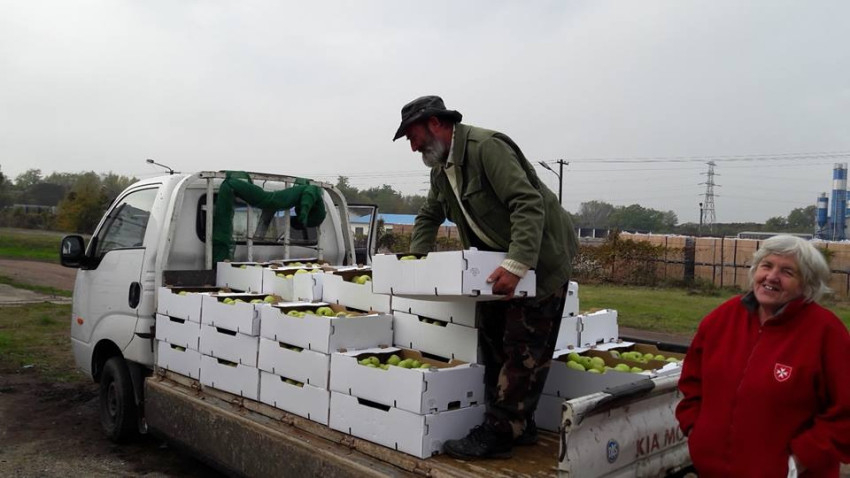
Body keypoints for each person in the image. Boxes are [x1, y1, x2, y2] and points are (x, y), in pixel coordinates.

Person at [392, 95, 578, 460]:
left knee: (523, 348)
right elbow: (429, 216)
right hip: (493, 266)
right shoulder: (441, 172)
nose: (413, 147)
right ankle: (517, 424)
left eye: (413, 136)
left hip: (540, 259)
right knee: (493, 340)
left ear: (435, 123)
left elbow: (527, 203)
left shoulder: (486, 148)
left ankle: (499, 432)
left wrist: (517, 264)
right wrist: (416, 261)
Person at [676, 235, 850, 477]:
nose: (772, 277)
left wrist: (800, 460)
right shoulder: (722, 318)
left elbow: (845, 412)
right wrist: (696, 430)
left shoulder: (826, 333)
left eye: (787, 272)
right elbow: (692, 381)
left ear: (806, 284)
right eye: (766, 266)